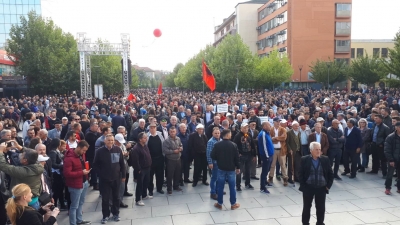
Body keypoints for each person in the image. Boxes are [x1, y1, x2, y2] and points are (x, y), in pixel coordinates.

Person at [93, 134, 126, 224]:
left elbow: (122, 164)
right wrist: (101, 174)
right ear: (105, 141)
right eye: (109, 140)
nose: (110, 142)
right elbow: (95, 165)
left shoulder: (117, 149)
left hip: (116, 178)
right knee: (105, 198)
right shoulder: (99, 151)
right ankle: (105, 215)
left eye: (112, 140)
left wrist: (123, 176)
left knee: (116, 197)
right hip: (105, 179)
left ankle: (116, 213)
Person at [299, 142, 333, 225]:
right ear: (311, 150)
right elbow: (300, 174)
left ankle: (320, 223)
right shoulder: (304, 159)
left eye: (319, 149)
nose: (318, 151)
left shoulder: (325, 159)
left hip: (321, 188)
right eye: (316, 149)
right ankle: (305, 223)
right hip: (308, 187)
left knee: (321, 208)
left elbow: (330, 174)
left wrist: (328, 186)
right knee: (307, 207)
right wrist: (303, 187)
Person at [0, 145, 43, 210]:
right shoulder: (38, 165)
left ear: (25, 160)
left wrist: (0, 152)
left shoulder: (23, 172)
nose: (20, 156)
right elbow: (33, 155)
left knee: (20, 219)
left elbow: (4, 166)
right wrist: (18, 146)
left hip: (23, 203)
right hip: (34, 200)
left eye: (22, 155)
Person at [211, 129, 240, 210]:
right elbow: (237, 158)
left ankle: (219, 203)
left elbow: (212, 155)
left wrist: (219, 159)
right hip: (231, 169)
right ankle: (233, 204)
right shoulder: (233, 145)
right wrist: (238, 167)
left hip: (221, 168)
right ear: (227, 135)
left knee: (220, 187)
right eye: (230, 134)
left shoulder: (217, 144)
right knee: (232, 187)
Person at [63, 140, 91, 225]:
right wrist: (81, 173)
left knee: (81, 203)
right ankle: (73, 223)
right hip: (75, 185)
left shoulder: (80, 155)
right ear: (78, 148)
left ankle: (79, 220)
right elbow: (67, 173)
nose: (84, 152)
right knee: (74, 206)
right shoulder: (69, 158)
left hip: (83, 182)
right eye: (83, 150)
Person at [130, 132, 153, 206]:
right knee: (140, 184)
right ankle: (138, 199)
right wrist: (138, 169)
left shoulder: (145, 145)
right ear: (140, 139)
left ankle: (144, 195)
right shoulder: (136, 148)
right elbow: (135, 161)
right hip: (141, 169)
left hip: (147, 167)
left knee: (146, 182)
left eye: (146, 137)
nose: (146, 139)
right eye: (144, 138)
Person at [234, 123, 256, 191]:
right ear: (241, 128)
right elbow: (234, 145)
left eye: (247, 128)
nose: (246, 129)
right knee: (239, 171)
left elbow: (253, 144)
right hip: (241, 156)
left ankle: (248, 183)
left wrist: (254, 155)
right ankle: (238, 185)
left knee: (248, 170)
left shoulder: (249, 134)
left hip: (248, 155)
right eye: (244, 128)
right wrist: (238, 153)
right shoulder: (238, 136)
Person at [162, 126, 183, 195]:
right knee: (170, 175)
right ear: (169, 132)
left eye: (174, 131)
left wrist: (180, 149)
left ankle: (176, 186)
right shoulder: (166, 141)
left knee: (177, 173)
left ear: (176, 132)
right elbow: (165, 150)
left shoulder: (178, 138)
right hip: (170, 160)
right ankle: (169, 189)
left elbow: (181, 145)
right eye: (171, 132)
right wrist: (174, 151)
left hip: (178, 159)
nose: (173, 133)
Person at [146, 123, 165, 195]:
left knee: (160, 174)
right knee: (150, 175)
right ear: (149, 129)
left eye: (154, 127)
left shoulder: (160, 135)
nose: (152, 129)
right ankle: (150, 190)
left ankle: (159, 188)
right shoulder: (147, 136)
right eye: (151, 128)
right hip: (151, 159)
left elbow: (163, 144)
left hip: (160, 158)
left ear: (156, 128)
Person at [268, 117, 288, 186]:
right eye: (276, 121)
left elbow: (284, 137)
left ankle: (285, 178)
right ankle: (270, 177)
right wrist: (279, 138)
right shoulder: (271, 129)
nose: (278, 123)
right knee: (272, 165)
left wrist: (275, 138)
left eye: (279, 121)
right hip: (273, 150)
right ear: (273, 122)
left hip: (281, 150)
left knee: (283, 165)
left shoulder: (283, 129)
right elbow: (270, 139)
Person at [114, 133, 130, 208]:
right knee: (117, 187)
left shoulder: (123, 146)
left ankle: (120, 201)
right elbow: (115, 160)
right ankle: (116, 202)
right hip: (117, 170)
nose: (120, 143)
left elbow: (127, 157)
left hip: (124, 167)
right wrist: (122, 154)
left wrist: (126, 155)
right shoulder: (113, 148)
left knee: (122, 186)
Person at [258, 122, 274, 193]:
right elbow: (264, 146)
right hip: (266, 156)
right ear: (264, 126)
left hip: (270, 155)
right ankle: (262, 187)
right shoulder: (263, 134)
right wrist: (267, 156)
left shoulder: (267, 133)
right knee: (264, 171)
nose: (270, 126)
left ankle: (265, 182)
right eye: (268, 125)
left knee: (267, 170)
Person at [384, 122, 400, 195]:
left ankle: (399, 188)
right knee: (390, 174)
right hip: (393, 159)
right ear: (396, 128)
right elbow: (387, 149)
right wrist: (391, 159)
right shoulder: (390, 137)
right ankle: (388, 188)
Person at [207, 127, 222, 200]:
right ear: (212, 133)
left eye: (218, 133)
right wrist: (210, 163)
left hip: (220, 162)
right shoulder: (211, 141)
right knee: (214, 178)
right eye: (215, 133)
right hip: (214, 162)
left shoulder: (221, 140)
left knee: (219, 178)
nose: (217, 134)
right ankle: (213, 193)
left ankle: (218, 190)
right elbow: (209, 153)